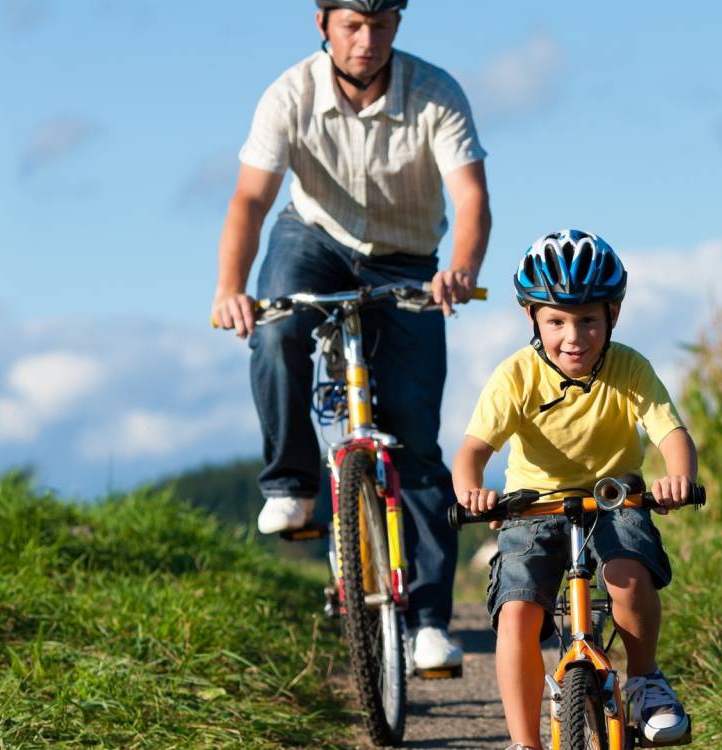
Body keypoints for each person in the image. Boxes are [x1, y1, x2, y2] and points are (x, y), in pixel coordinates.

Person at [209, 0, 490, 674]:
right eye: (351, 26)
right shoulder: (289, 94)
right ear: (322, 25)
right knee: (275, 335)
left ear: (399, 26)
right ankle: (292, 486)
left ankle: (428, 622)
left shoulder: (435, 93)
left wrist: (461, 271)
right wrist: (230, 287)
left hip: (407, 259)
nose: (366, 41)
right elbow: (250, 199)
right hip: (313, 242)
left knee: (416, 439)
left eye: (381, 25)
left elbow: (473, 196)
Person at [454, 230, 697, 750]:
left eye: (588, 319)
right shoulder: (516, 376)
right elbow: (472, 453)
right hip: (530, 508)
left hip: (615, 499)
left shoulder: (629, 368)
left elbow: (672, 434)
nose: (574, 336)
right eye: (557, 321)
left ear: (613, 314)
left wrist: (678, 476)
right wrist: (473, 491)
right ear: (532, 320)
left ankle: (645, 680)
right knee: (517, 612)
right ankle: (525, 741)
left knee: (629, 578)